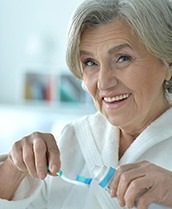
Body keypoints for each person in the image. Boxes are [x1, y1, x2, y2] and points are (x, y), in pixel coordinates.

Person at [0, 0, 172, 208]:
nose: (103, 82)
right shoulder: (71, 141)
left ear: (168, 63)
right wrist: (12, 168)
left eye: (123, 58)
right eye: (90, 63)